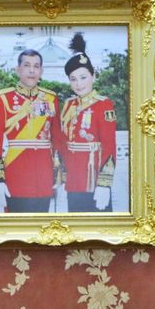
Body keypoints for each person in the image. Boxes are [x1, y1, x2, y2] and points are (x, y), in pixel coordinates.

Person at [0, 50, 60, 214]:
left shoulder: (51, 98)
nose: (32, 70)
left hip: (44, 177)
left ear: (41, 71)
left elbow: (57, 138)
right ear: (17, 69)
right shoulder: (3, 98)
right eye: (26, 65)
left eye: (36, 66)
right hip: (16, 176)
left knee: (42, 231)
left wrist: (58, 171)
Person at [54, 40, 118, 213]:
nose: (78, 84)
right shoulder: (68, 105)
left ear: (93, 76)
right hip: (73, 179)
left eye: (83, 77)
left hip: (93, 178)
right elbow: (62, 142)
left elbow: (109, 147)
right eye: (73, 79)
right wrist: (60, 177)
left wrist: (104, 184)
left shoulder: (103, 105)